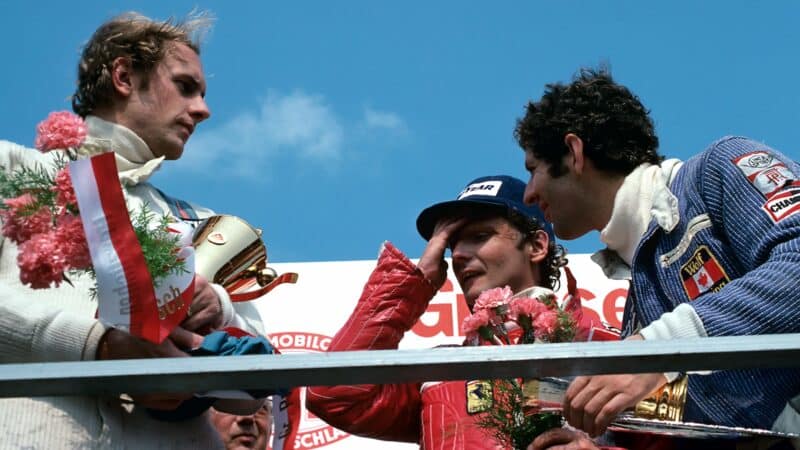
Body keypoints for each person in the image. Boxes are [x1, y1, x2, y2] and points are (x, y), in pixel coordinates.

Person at [0, 11, 264, 448]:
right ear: (123, 75)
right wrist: (95, 347)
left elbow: (262, 381)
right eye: (185, 86)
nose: (204, 109)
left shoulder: (203, 223)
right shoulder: (10, 171)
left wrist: (218, 309)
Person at [514, 67, 800, 439]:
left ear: (573, 152)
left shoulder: (716, 170)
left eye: (533, 170)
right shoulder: (636, 316)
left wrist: (658, 349)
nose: (528, 195)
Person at [306, 174, 589, 448]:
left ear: (537, 246)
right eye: (451, 244)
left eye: (480, 236)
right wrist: (415, 281)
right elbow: (333, 395)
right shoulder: (440, 371)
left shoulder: (597, 345)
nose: (458, 254)